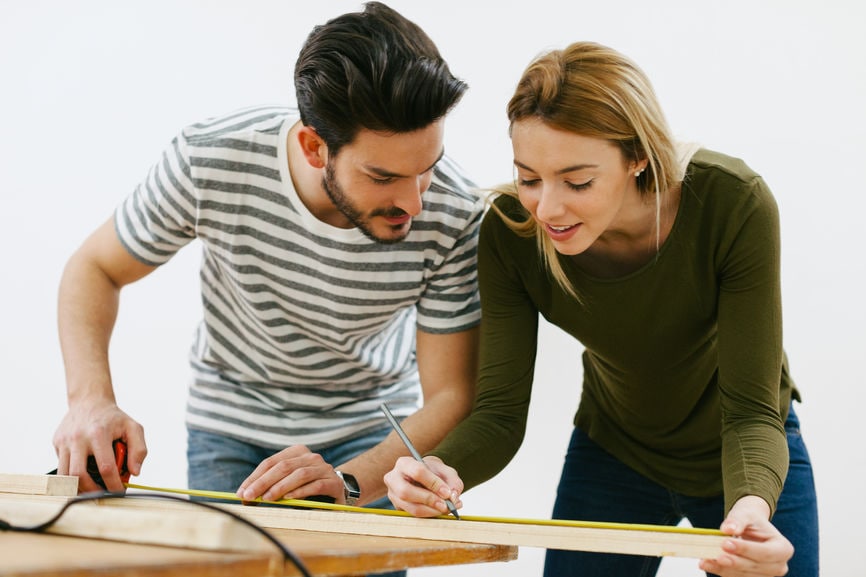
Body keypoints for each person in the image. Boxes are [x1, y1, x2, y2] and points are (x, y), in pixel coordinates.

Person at [384, 41, 818, 577]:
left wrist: (750, 508)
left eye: (578, 181)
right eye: (528, 178)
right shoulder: (510, 234)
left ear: (638, 156)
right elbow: (498, 415)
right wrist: (438, 469)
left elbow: (751, 411)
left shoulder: (733, 202)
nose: (547, 207)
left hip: (747, 456)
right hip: (615, 452)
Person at [52, 0, 483, 524]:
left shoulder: (457, 211)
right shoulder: (211, 158)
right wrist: (90, 400)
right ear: (313, 147)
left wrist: (348, 482)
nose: (415, 203)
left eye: (427, 169)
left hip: (373, 436)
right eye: (383, 177)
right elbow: (95, 267)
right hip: (230, 426)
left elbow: (451, 394)